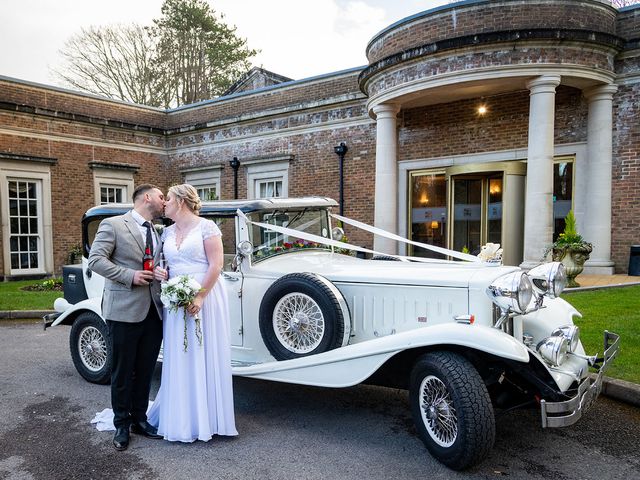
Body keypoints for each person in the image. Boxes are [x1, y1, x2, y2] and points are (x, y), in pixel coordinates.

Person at [147, 183, 238, 442]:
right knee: (180, 353)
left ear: (182, 202)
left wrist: (199, 295)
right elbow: (163, 264)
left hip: (205, 294)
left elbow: (216, 264)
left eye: (169, 199)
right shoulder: (166, 232)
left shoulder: (207, 227)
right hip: (175, 296)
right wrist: (160, 273)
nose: (164, 204)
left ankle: (208, 417)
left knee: (203, 349)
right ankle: (182, 416)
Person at [88, 183, 165, 451]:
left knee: (145, 370)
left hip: (154, 312)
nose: (164, 201)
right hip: (122, 311)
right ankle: (121, 424)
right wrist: (129, 276)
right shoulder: (113, 224)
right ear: (146, 198)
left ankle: (139, 420)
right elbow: (96, 260)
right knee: (122, 371)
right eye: (160, 196)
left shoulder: (157, 230)